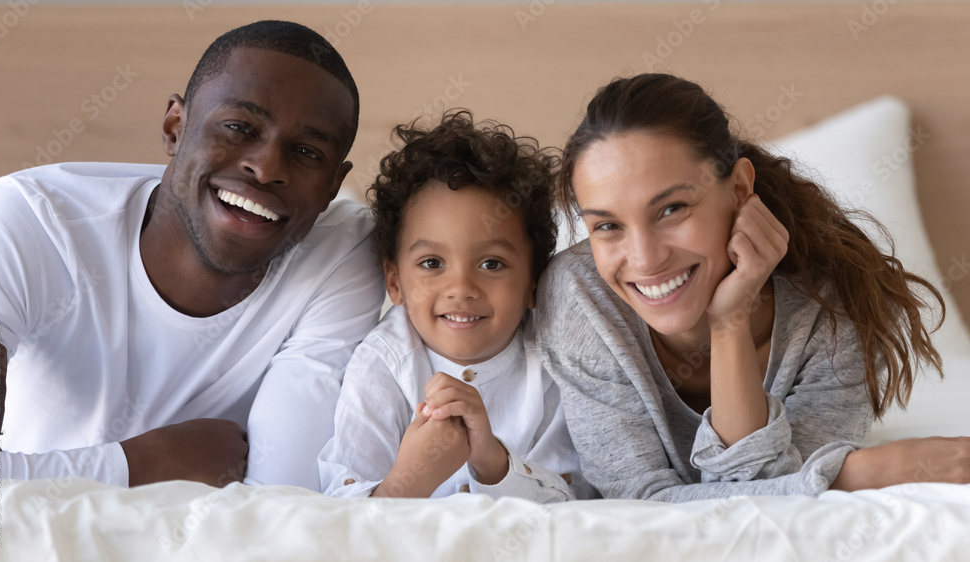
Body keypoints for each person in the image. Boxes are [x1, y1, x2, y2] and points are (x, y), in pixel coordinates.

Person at [0, 20, 384, 489]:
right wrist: (145, 463)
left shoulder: (343, 251)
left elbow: (283, 499)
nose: (267, 168)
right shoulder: (32, 221)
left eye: (307, 152)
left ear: (334, 184)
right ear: (174, 127)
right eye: (239, 127)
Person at [536, 73, 970, 502]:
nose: (645, 258)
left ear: (740, 188)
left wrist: (729, 323)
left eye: (672, 209)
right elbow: (638, 505)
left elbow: (761, 506)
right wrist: (856, 473)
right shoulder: (581, 297)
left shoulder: (834, 308)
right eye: (608, 225)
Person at [319, 111, 594, 501]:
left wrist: (491, 460)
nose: (462, 288)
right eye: (432, 263)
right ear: (395, 282)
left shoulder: (553, 363)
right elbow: (338, 512)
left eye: (492, 264)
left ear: (533, 283)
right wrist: (409, 481)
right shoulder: (382, 364)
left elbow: (572, 504)